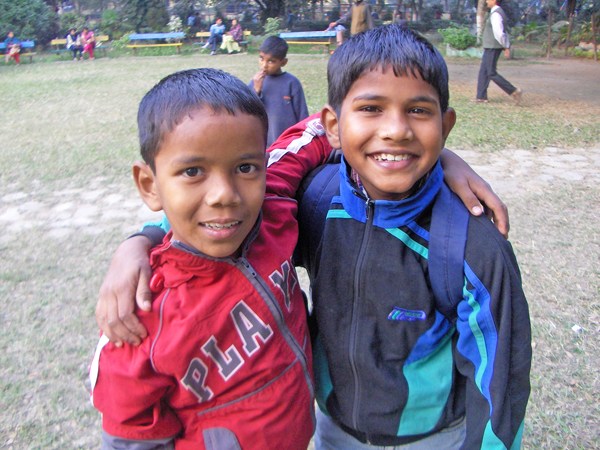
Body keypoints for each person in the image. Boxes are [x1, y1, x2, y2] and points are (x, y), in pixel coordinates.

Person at [97, 25, 530, 450]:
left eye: (418, 111)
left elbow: (501, 382)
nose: (396, 129)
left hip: (434, 438)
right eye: (372, 108)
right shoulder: (312, 203)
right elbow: (221, 194)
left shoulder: (472, 245)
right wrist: (141, 240)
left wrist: (440, 156)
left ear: (445, 124)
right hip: (332, 431)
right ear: (334, 125)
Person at [89, 68, 320, 449]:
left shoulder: (272, 205)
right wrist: (139, 241)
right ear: (150, 185)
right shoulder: (138, 317)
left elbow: (317, 132)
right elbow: (130, 435)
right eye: (193, 171)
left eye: (245, 168)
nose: (224, 194)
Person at [249, 36, 309, 148]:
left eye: (271, 61)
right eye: (261, 59)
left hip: (289, 145)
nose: (264, 65)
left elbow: (303, 117)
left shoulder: (292, 83)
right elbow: (248, 112)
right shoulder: (255, 82)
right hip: (263, 145)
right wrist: (256, 91)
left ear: (283, 62)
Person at [476, 0, 523, 104]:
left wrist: (506, 46)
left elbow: (499, 33)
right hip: (490, 47)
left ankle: (514, 91)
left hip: (493, 47)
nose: (486, 1)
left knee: (491, 72)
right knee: (483, 71)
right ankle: (481, 97)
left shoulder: (496, 14)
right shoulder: (494, 12)